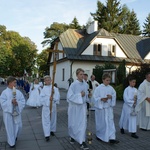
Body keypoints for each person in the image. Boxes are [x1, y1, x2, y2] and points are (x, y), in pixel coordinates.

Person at [93, 73, 119, 144]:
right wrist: (101, 99)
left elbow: (114, 95)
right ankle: (100, 136)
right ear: (103, 80)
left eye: (109, 80)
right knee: (102, 124)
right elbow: (94, 98)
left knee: (110, 123)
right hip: (101, 109)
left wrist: (111, 97)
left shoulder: (111, 88)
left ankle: (112, 138)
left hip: (108, 109)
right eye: (107, 80)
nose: (108, 82)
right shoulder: (98, 88)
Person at [0, 76, 25, 148]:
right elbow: (2, 102)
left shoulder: (18, 92)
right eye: (14, 82)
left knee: (19, 126)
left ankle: (15, 136)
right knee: (9, 127)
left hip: (16, 111)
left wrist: (18, 103)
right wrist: (10, 101)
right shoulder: (4, 92)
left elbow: (23, 101)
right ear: (9, 83)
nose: (16, 83)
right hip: (8, 113)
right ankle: (11, 142)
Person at [67, 68, 89, 150]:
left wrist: (88, 96)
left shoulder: (85, 84)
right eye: (81, 74)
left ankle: (82, 141)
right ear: (77, 75)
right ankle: (72, 136)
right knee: (73, 123)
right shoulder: (73, 85)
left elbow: (86, 95)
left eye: (83, 74)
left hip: (82, 108)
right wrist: (80, 95)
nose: (82, 76)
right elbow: (69, 97)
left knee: (82, 124)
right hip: (75, 108)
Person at [40, 75, 60, 141]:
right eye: (46, 80)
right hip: (46, 107)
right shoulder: (43, 89)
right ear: (44, 81)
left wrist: (53, 97)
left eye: (49, 80)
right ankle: (47, 134)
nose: (47, 81)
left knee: (53, 118)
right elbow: (41, 98)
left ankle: (52, 130)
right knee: (46, 120)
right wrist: (48, 99)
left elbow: (58, 97)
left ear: (51, 80)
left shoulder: (54, 88)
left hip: (53, 106)